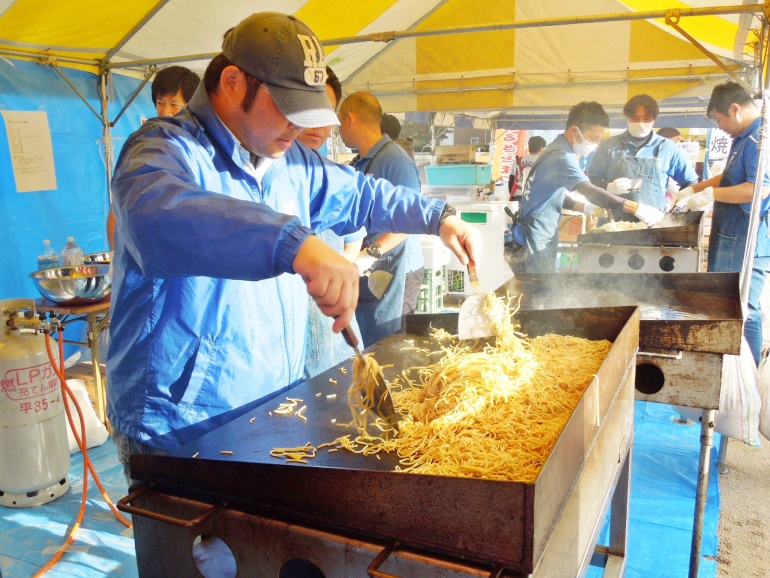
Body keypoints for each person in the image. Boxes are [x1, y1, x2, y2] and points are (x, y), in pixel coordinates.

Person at [107, 12, 480, 482]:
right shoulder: (163, 150)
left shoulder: (290, 162)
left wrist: (439, 217)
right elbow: (155, 217)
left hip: (270, 405)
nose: (297, 127)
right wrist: (291, 242)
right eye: (286, 108)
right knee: (199, 555)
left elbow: (365, 193)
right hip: (182, 425)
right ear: (233, 82)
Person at [674, 81, 770, 366]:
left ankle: (747, 378)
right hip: (731, 237)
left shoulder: (760, 139)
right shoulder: (742, 138)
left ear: (734, 109)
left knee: (744, 309)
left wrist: (710, 196)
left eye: (719, 120)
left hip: (749, 240)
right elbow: (728, 177)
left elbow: (758, 189)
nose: (720, 127)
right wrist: (693, 189)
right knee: (727, 306)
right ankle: (727, 366)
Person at [509, 101, 664, 273]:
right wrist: (636, 208)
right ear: (575, 131)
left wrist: (582, 207)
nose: (596, 144)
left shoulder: (555, 148)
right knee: (536, 288)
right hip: (536, 235)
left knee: (540, 286)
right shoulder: (562, 156)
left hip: (539, 232)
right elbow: (590, 191)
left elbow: (552, 193)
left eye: (600, 139)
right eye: (594, 138)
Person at [337, 91, 425, 347]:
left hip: (399, 269)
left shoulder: (395, 160)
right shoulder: (360, 162)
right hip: (374, 269)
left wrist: (368, 254)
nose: (339, 130)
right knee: (371, 344)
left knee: (392, 349)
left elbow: (410, 219)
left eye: (339, 122)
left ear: (350, 119)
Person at [296, 67, 366, 378]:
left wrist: (340, 267)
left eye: (328, 112)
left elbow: (356, 228)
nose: (321, 125)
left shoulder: (327, 173)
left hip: (327, 316)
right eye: (310, 111)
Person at [106, 65, 201, 249]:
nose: (165, 112)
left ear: (191, 105)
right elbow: (118, 206)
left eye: (174, 104)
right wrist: (115, 258)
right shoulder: (145, 142)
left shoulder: (199, 146)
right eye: (160, 103)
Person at [587, 94, 698, 221]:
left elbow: (690, 182)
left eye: (646, 119)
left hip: (653, 224)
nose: (641, 123)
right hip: (613, 223)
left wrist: (681, 200)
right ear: (627, 117)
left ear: (654, 119)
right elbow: (591, 181)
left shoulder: (668, 148)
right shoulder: (609, 146)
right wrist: (608, 187)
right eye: (635, 118)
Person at [509, 135, 546, 200]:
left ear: (529, 147)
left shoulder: (518, 160)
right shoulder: (543, 162)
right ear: (541, 148)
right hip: (533, 197)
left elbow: (511, 180)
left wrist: (512, 195)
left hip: (517, 196)